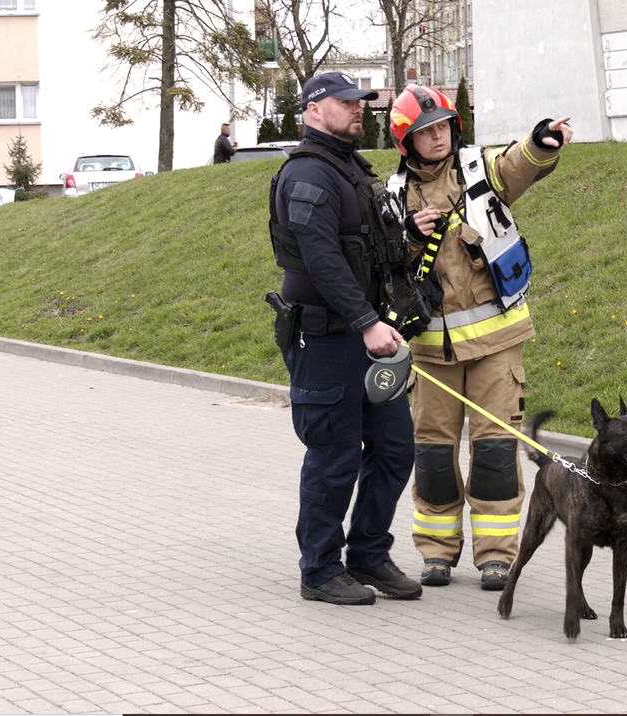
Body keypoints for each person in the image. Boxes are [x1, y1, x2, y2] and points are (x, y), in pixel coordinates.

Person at [387, 85, 572, 590]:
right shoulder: (392, 197)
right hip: (430, 354)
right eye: (425, 132)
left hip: (496, 345)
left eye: (443, 127)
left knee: (495, 454)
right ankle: (436, 552)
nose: (437, 137)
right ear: (407, 142)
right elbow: (383, 263)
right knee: (432, 456)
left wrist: (540, 142)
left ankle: (496, 557)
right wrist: (408, 236)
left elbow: (517, 165)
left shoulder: (479, 169)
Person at [268, 72, 425, 605]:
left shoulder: (351, 168)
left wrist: (409, 239)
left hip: (365, 336)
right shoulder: (308, 174)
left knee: (395, 448)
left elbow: (366, 248)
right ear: (314, 110)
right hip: (327, 340)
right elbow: (321, 259)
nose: (359, 109)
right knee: (334, 457)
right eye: (346, 102)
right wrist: (365, 322)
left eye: (361, 102)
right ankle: (319, 570)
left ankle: (368, 555)